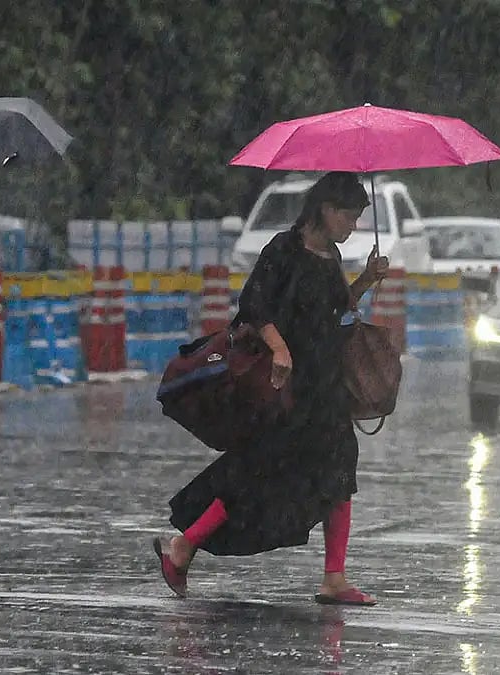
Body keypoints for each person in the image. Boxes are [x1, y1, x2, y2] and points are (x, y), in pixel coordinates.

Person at [153, 171, 389, 605]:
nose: (353, 226)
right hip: (285, 387)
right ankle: (184, 546)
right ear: (326, 209)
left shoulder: (331, 256)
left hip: (325, 384)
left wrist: (367, 280)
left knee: (340, 470)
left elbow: (336, 308)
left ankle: (334, 578)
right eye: (349, 216)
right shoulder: (283, 249)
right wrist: (279, 348)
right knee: (257, 472)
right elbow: (253, 307)